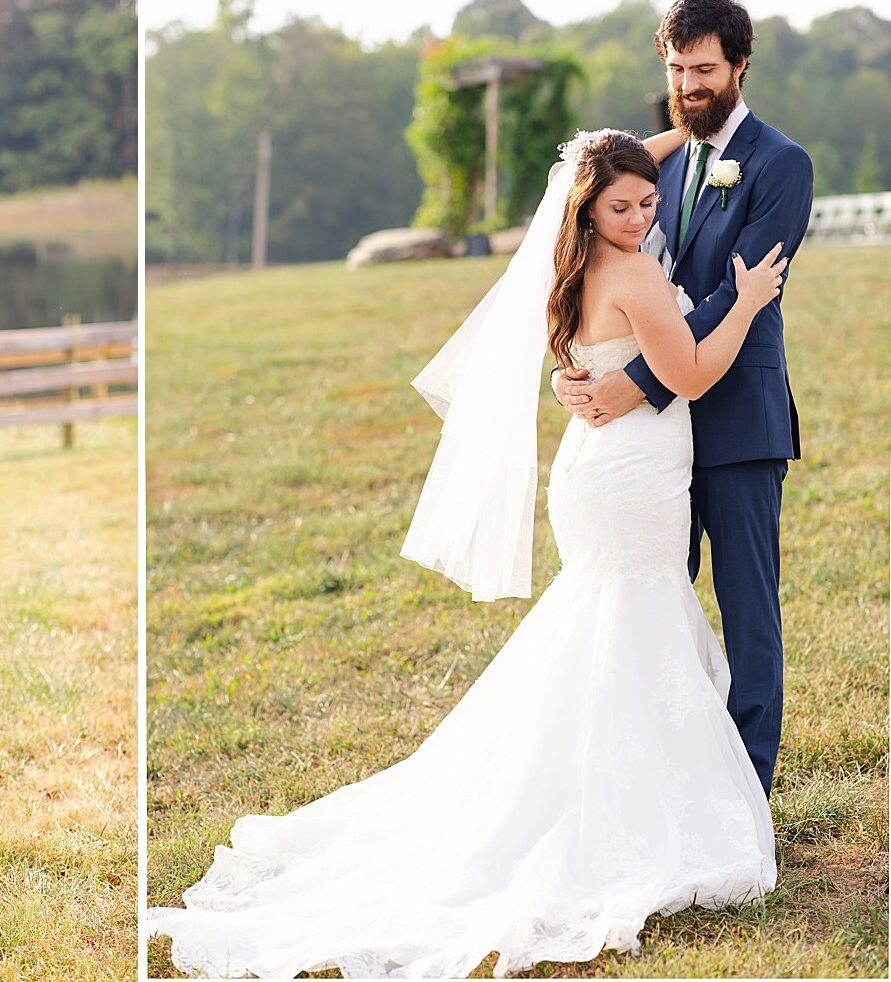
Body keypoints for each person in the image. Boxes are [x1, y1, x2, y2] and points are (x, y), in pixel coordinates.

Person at [147, 129, 788, 978]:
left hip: (601, 470)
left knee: (607, 625)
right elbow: (695, 374)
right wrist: (746, 301)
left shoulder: (577, 270)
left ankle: (586, 788)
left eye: (647, 203)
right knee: (633, 620)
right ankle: (615, 809)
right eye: (621, 206)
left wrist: (657, 141)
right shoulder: (631, 270)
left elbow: (599, 337)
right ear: (586, 209)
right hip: (632, 475)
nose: (639, 218)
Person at [555, 0, 814, 797]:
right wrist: (577, 366)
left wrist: (630, 381)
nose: (689, 83)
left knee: (745, 607)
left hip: (735, 418)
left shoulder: (781, 165)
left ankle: (747, 794)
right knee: (653, 609)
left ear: (740, 66)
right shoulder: (669, 158)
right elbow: (590, 245)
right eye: (675, 68)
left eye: (704, 69)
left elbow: (740, 293)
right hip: (649, 457)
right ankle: (653, 783)